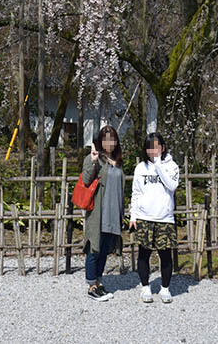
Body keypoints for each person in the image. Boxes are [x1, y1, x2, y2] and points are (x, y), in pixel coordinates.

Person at [129, 132, 179, 303]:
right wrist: (133, 215)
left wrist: (158, 166)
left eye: (156, 146)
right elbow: (135, 193)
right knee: (144, 254)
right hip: (144, 217)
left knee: (165, 255)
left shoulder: (172, 166)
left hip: (164, 218)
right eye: (149, 147)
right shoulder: (141, 168)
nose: (153, 150)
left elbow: (172, 185)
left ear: (163, 147)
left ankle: (165, 288)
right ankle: (145, 287)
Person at [81, 125, 125, 302]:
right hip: (98, 212)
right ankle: (91, 285)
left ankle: (98, 281)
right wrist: (92, 160)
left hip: (114, 212)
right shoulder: (95, 159)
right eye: (106, 139)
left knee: (105, 249)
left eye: (112, 139)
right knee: (94, 248)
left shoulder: (118, 161)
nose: (109, 143)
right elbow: (85, 179)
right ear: (100, 141)